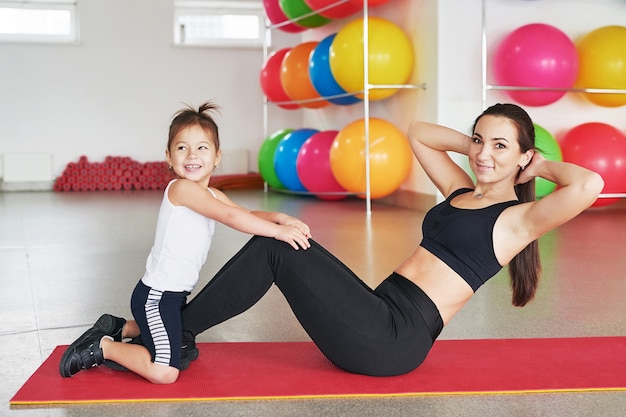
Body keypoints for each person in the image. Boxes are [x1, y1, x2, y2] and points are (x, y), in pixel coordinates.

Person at [173, 103, 604, 377]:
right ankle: (176, 328)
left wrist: (539, 166)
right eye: (478, 140)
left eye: (500, 146)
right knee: (289, 240)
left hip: (393, 340)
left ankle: (176, 332)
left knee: (276, 245)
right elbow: (419, 132)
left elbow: (589, 185)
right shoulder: (463, 191)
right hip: (379, 313)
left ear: (524, 155)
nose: (483, 154)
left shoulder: (518, 220)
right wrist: (478, 149)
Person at [58, 101, 312, 384]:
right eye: (182, 148)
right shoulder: (181, 189)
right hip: (156, 298)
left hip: (174, 297)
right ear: (169, 156)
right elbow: (230, 217)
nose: (192, 155)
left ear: (217, 156)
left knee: (179, 346)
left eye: (202, 147)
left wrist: (280, 217)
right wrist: (277, 233)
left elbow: (244, 213)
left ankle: (122, 328)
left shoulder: (211, 195)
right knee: (166, 371)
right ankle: (104, 347)